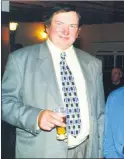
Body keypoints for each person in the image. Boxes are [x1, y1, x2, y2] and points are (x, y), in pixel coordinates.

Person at [1, 5, 105, 158]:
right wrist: (36, 117)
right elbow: (4, 102)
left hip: (86, 150)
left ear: (78, 32)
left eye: (72, 26)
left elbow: (99, 114)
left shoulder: (93, 64)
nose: (66, 31)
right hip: (42, 151)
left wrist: (99, 152)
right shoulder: (20, 59)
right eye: (59, 24)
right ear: (47, 27)